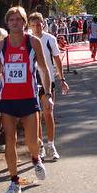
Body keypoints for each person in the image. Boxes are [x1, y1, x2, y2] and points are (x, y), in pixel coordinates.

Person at [0, 6, 53, 193]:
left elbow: (44, 70)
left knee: (32, 142)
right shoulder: (0, 46)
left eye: (18, 19)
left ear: (24, 22)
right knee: (10, 140)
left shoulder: (34, 42)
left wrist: (47, 94)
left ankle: (35, 158)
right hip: (8, 100)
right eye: (11, 20)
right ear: (7, 23)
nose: (15, 22)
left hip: (29, 98)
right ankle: (14, 182)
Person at [28, 12, 69, 161]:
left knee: (48, 113)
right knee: (35, 115)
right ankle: (40, 147)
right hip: (32, 81)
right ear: (29, 26)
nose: (36, 28)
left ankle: (51, 145)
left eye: (38, 24)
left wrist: (62, 79)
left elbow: (57, 59)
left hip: (48, 80)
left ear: (43, 24)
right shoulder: (27, 39)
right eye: (33, 25)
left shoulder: (49, 39)